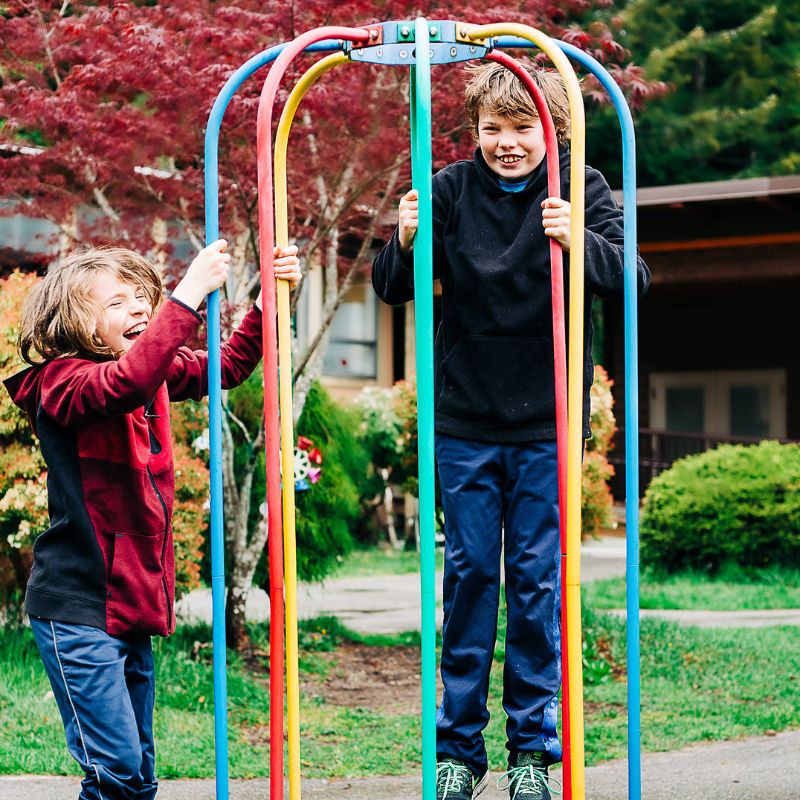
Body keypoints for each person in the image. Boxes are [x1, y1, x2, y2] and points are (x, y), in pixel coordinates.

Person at [372, 62, 650, 800]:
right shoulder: (449, 190)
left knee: (535, 584)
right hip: (464, 420)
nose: (506, 143)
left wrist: (576, 242)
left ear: (551, 132)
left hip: (547, 426)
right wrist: (403, 242)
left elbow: (634, 277)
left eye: (522, 128)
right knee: (468, 578)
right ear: (474, 134)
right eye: (492, 129)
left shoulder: (579, 190)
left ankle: (534, 749)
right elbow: (391, 288)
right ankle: (459, 750)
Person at [3, 239, 301, 800]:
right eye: (117, 303)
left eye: (143, 297)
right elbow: (123, 384)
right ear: (79, 324)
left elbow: (228, 366)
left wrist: (265, 304)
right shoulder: (61, 383)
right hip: (77, 607)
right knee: (115, 769)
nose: (140, 307)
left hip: (130, 603)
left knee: (137, 775)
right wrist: (188, 293)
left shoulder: (151, 372)